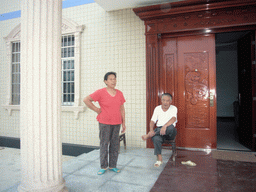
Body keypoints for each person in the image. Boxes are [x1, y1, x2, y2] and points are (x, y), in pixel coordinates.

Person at [83, 72, 126, 175]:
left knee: (115, 145)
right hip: (104, 123)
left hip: (117, 123)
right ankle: (103, 166)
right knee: (104, 144)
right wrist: (97, 109)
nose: (113, 81)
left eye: (114, 79)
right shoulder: (100, 92)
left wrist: (123, 123)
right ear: (105, 81)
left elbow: (122, 109)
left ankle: (113, 166)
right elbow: (86, 100)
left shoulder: (119, 93)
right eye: (110, 79)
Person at [142, 93, 177, 167]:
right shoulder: (157, 108)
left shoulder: (174, 108)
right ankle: (159, 159)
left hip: (169, 132)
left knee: (170, 128)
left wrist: (165, 126)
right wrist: (151, 130)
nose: (165, 102)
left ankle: (149, 135)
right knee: (155, 138)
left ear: (170, 101)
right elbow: (152, 121)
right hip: (159, 131)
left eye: (167, 101)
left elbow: (174, 118)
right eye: (163, 100)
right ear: (161, 100)